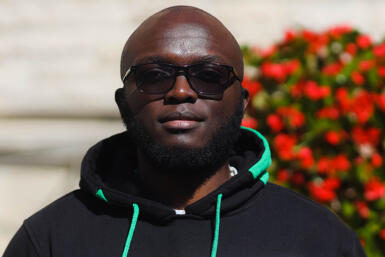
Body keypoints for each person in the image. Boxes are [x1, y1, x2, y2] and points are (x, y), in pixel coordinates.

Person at [3, 6, 366, 257]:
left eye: (209, 76)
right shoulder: (50, 238)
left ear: (242, 102)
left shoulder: (318, 238)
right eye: (154, 76)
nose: (180, 91)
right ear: (123, 102)